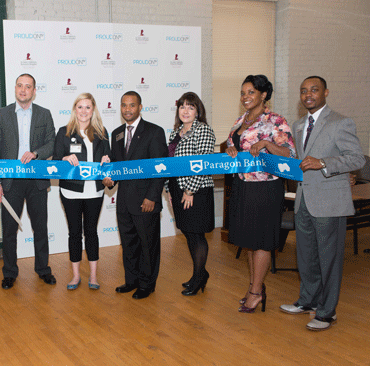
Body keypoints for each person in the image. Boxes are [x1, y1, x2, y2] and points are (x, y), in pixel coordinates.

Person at [280, 76, 365, 331]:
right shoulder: (297, 125)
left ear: (325, 92)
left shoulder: (340, 122)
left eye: (314, 90)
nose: (308, 94)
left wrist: (325, 163)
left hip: (330, 202)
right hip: (303, 200)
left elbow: (356, 159)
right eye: (303, 90)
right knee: (306, 256)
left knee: (329, 259)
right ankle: (308, 301)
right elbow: (298, 159)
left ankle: (327, 313)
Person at [225, 75, 295, 313]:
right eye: (243, 93)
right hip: (243, 185)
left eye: (251, 92)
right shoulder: (240, 120)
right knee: (248, 241)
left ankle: (256, 292)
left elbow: (289, 154)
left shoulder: (275, 121)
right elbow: (232, 143)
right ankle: (255, 287)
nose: (245, 97)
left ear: (264, 95)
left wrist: (266, 145)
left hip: (265, 187)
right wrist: (230, 148)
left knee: (262, 240)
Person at [0, 73, 56, 290]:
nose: (23, 90)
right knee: (9, 230)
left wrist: (36, 153)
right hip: (10, 182)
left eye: (28, 87)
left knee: (40, 228)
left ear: (34, 91)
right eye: (20, 86)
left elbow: (51, 144)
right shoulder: (2, 114)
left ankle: (43, 269)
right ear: (15, 88)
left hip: (36, 181)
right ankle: (9, 273)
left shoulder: (44, 114)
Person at [103, 91, 168, 299]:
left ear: (140, 107)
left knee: (148, 244)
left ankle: (147, 284)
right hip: (124, 200)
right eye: (124, 105)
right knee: (128, 242)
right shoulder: (117, 134)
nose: (127, 109)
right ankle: (131, 280)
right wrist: (108, 177)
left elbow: (161, 168)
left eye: (132, 105)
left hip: (146, 200)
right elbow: (117, 165)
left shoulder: (154, 132)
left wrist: (152, 197)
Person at [53, 93, 111, 290]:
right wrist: (64, 158)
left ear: (93, 110)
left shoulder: (102, 132)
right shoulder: (64, 132)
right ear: (74, 109)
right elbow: (54, 161)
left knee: (91, 233)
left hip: (94, 191)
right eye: (80, 107)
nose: (84, 111)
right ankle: (76, 276)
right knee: (74, 233)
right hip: (71, 191)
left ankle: (93, 276)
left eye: (88, 107)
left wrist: (107, 161)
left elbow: (109, 159)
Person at [165, 92, 215, 296]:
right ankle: (198, 275)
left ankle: (199, 277)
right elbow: (169, 164)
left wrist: (189, 190)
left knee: (196, 233)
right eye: (182, 106)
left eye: (191, 107)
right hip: (177, 188)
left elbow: (202, 164)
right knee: (187, 232)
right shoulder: (175, 132)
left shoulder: (203, 131)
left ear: (198, 111)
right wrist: (169, 189)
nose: (185, 111)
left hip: (196, 190)